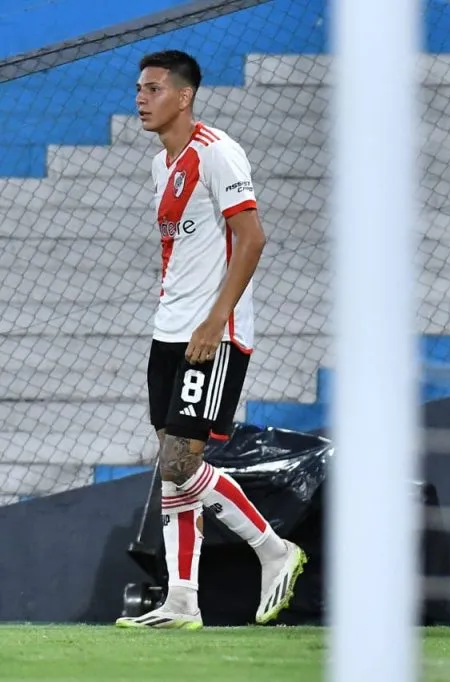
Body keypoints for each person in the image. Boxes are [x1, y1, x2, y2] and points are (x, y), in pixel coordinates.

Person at [115, 50, 305, 630]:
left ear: (184, 94)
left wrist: (214, 319)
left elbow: (251, 238)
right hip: (167, 330)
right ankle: (181, 602)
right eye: (139, 89)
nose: (141, 99)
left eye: (152, 89)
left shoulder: (217, 152)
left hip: (212, 334)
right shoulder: (161, 165)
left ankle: (275, 550)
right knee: (173, 466)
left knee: (179, 460)